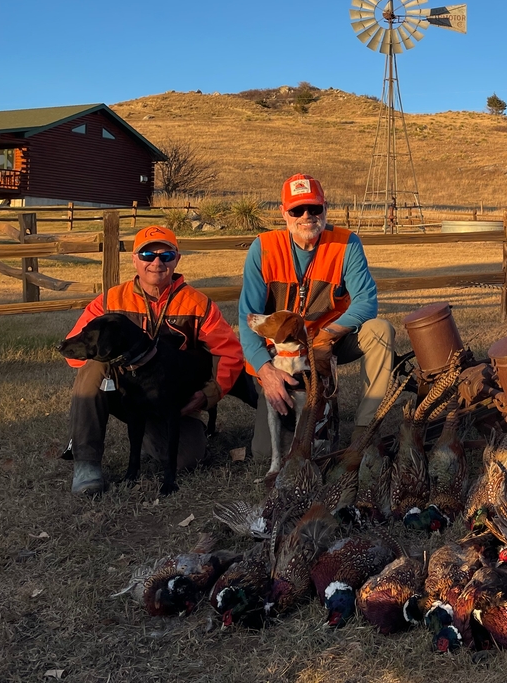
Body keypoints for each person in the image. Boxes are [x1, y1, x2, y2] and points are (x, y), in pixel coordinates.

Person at [63, 225, 245, 495]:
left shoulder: (197, 304)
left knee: (188, 459)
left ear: (177, 259)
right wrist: (121, 366)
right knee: (95, 363)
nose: (157, 262)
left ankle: (149, 433)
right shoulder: (111, 301)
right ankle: (87, 463)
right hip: (123, 389)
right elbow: (77, 352)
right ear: (135, 259)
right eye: (148, 254)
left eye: (166, 255)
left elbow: (230, 352)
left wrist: (210, 393)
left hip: (170, 397)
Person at [238, 173, 395, 461]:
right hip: (282, 354)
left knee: (380, 330)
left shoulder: (346, 243)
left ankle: (365, 430)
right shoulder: (264, 248)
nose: (307, 216)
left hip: (331, 341)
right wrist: (265, 371)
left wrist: (327, 336)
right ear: (283, 213)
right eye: (297, 210)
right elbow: (248, 318)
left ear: (325, 208)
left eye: (315, 208)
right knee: (263, 453)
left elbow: (366, 301)